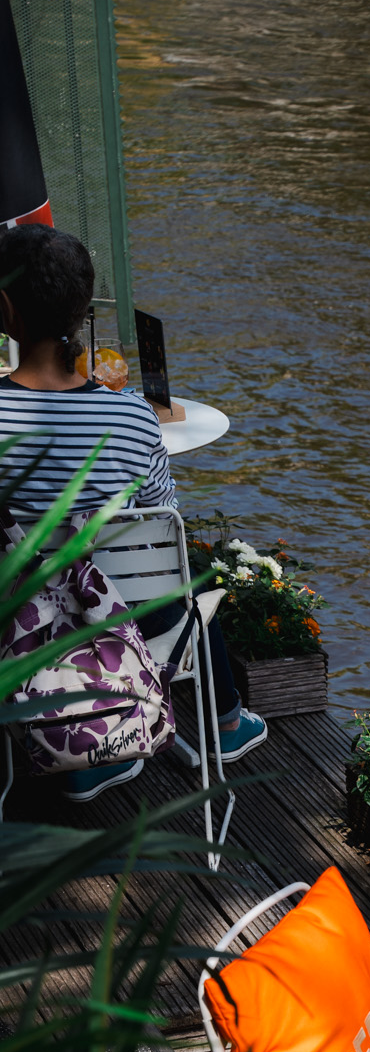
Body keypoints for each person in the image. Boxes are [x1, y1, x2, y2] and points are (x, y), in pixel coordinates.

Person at [0, 223, 266, 801]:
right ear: (81, 312)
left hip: (13, 629)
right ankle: (222, 723)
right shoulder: (131, 419)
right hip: (118, 626)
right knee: (185, 570)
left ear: (6, 310)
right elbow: (162, 528)